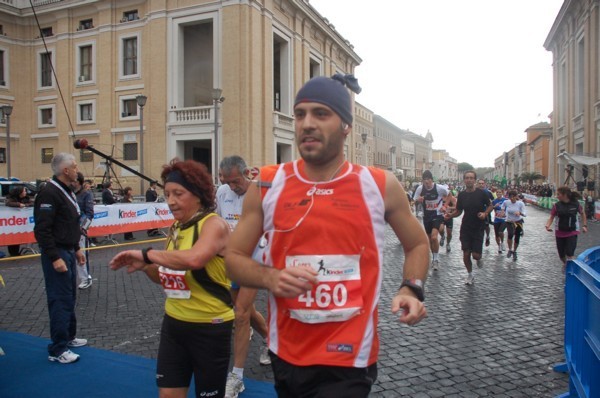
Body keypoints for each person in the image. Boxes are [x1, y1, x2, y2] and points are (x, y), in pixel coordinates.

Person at [225, 74, 429, 397]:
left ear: (346, 125)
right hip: (288, 353)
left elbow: (418, 243)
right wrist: (271, 277)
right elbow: (232, 260)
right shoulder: (266, 184)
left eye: (321, 114)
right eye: (300, 114)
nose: (307, 123)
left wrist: (412, 287)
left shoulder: (379, 185)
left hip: (350, 356)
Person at [109, 159, 233, 398]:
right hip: (174, 324)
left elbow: (195, 259)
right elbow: (167, 277)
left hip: (209, 326)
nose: (171, 201)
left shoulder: (213, 224)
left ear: (198, 195)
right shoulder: (176, 227)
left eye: (178, 193)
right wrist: (147, 266)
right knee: (168, 394)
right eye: (167, 194)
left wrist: (147, 253)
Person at [216, 156, 270, 398]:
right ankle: (272, 340)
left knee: (239, 313)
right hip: (231, 259)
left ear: (247, 173)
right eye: (226, 182)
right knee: (245, 310)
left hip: (254, 259)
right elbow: (218, 222)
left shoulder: (260, 193)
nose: (232, 186)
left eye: (235, 181)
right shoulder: (222, 193)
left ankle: (237, 376)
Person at [33, 153, 88, 364]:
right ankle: (58, 349)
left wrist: (76, 248)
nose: (77, 169)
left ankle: (69, 337)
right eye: (74, 166)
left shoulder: (67, 191)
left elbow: (68, 223)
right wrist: (55, 257)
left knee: (70, 296)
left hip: (68, 249)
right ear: (65, 171)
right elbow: (42, 230)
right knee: (60, 299)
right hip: (57, 252)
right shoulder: (49, 194)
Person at [445, 171, 492, 285]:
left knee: (475, 255)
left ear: (474, 180)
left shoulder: (481, 193)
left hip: (478, 227)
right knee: (466, 253)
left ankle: (479, 258)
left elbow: (491, 205)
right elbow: (459, 211)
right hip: (466, 227)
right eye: (467, 178)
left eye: (471, 178)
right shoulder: (462, 195)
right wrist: (451, 215)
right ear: (464, 180)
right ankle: (470, 275)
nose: (469, 180)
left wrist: (485, 214)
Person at [413, 170, 449, 270]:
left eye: (428, 179)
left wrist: (445, 206)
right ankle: (434, 258)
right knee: (430, 240)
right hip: (426, 216)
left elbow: (450, 196)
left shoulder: (439, 188)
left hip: (437, 214)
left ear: (432, 180)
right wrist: (418, 200)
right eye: (424, 180)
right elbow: (414, 199)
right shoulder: (420, 188)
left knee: (434, 237)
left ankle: (436, 260)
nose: (427, 182)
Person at [545, 187, 587, 266]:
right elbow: (551, 217)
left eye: (558, 194)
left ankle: (570, 268)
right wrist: (547, 225)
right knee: (561, 255)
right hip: (559, 232)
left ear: (565, 195)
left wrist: (584, 225)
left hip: (572, 231)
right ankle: (565, 264)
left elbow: (582, 213)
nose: (557, 196)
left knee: (569, 253)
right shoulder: (556, 206)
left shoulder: (576, 204)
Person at [73, 172, 94, 289]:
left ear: (79, 182)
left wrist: (83, 228)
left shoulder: (86, 194)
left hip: (80, 229)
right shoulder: (69, 193)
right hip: (69, 228)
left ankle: (85, 278)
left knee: (82, 253)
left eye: (75, 181)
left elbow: (90, 213)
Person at [5, 186, 32, 256]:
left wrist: (25, 205)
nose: (25, 192)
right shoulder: (11, 198)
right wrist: (18, 205)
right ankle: (13, 253)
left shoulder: (26, 198)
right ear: (19, 192)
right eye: (24, 191)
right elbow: (8, 203)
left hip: (23, 221)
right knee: (13, 237)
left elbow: (31, 203)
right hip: (13, 221)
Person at [501, 190, 526, 262]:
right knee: (510, 234)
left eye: (513, 197)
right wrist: (502, 212)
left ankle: (515, 251)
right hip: (509, 221)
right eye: (510, 197)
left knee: (517, 236)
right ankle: (510, 249)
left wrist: (520, 213)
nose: (511, 199)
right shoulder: (507, 202)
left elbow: (525, 213)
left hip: (518, 221)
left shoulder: (520, 203)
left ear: (516, 197)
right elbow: (503, 206)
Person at [477, 179, 495, 247]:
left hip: (486, 211)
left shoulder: (488, 192)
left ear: (484, 184)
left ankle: (487, 236)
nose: (481, 185)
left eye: (482, 183)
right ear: (477, 184)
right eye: (479, 183)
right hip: (477, 212)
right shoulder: (475, 192)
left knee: (486, 225)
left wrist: (488, 211)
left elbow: (492, 201)